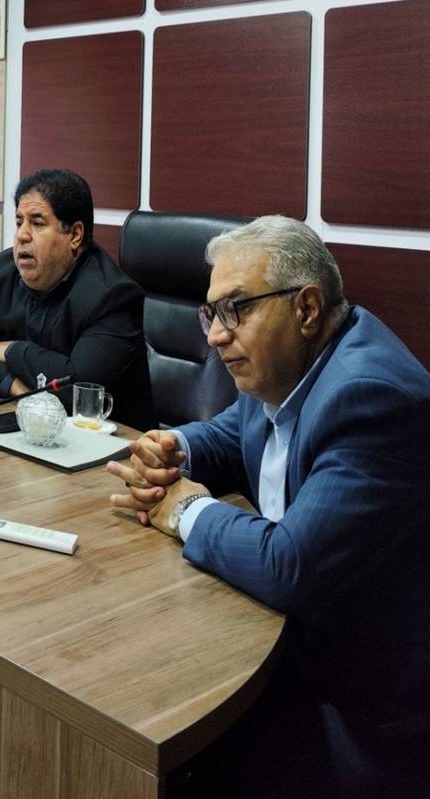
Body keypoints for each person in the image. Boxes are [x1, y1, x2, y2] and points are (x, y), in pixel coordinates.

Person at [108, 215, 430, 797]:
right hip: (281, 645)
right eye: (212, 314)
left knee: (152, 731)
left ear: (306, 308)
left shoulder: (371, 397)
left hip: (359, 708)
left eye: (235, 309)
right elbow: (234, 432)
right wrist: (172, 448)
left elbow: (289, 566)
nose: (215, 336)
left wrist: (185, 509)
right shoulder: (287, 369)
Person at [0, 168, 155, 431]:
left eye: (37, 223)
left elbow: (78, 389)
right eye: (19, 222)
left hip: (110, 442)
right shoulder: (3, 271)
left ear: (75, 235)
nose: (22, 235)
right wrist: (14, 386)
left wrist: (11, 350)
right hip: (33, 425)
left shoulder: (112, 297)